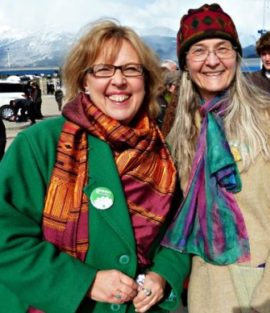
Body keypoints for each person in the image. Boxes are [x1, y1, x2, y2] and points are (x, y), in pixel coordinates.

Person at [0, 19, 190, 313]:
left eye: (131, 69)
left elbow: (180, 230)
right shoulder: (41, 144)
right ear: (84, 80)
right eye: (103, 69)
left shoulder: (161, 150)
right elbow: (6, 237)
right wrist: (83, 282)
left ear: (147, 80)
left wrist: (163, 274)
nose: (118, 80)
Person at [161, 4, 270, 313]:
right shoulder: (178, 134)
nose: (212, 61)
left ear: (236, 58)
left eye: (222, 49)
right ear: (185, 62)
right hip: (207, 294)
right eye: (199, 50)